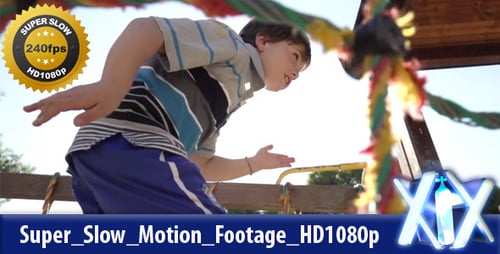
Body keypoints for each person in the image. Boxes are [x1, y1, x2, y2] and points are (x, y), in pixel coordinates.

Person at [24, 16, 311, 214]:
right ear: (262, 41)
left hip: (100, 159)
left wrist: (253, 164)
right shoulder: (231, 46)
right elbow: (146, 30)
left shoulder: (225, 99)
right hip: (133, 142)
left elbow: (202, 164)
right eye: (295, 57)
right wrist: (111, 85)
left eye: (300, 73)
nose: (295, 74)